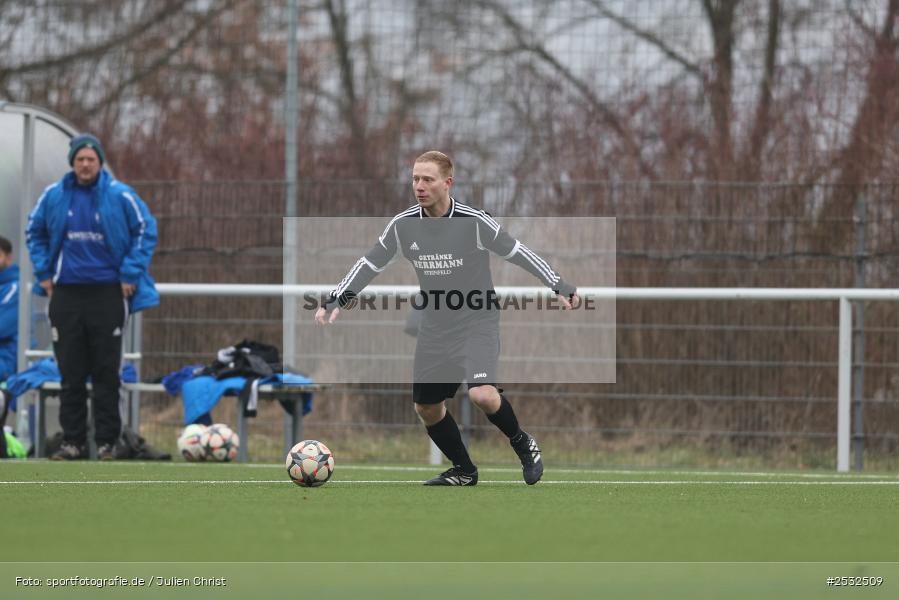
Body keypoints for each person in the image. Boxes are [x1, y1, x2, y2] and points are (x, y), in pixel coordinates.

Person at [315, 151, 579, 485]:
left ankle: (522, 442)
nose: (419, 186)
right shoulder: (403, 226)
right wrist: (339, 295)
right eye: (415, 179)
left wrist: (558, 284)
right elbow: (370, 262)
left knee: (481, 393)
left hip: (477, 319)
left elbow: (519, 252)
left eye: (428, 179)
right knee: (426, 407)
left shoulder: (473, 222)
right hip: (436, 325)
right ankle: (465, 471)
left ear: (447, 183)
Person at [26, 133, 159, 460]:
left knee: (106, 372)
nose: (86, 165)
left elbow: (146, 230)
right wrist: (44, 273)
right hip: (66, 292)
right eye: (80, 159)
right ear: (72, 162)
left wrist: (130, 273)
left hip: (107, 293)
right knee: (70, 372)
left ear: (99, 163)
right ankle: (72, 442)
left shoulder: (120, 195)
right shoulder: (54, 195)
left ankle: (107, 443)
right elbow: (35, 231)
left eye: (91, 159)